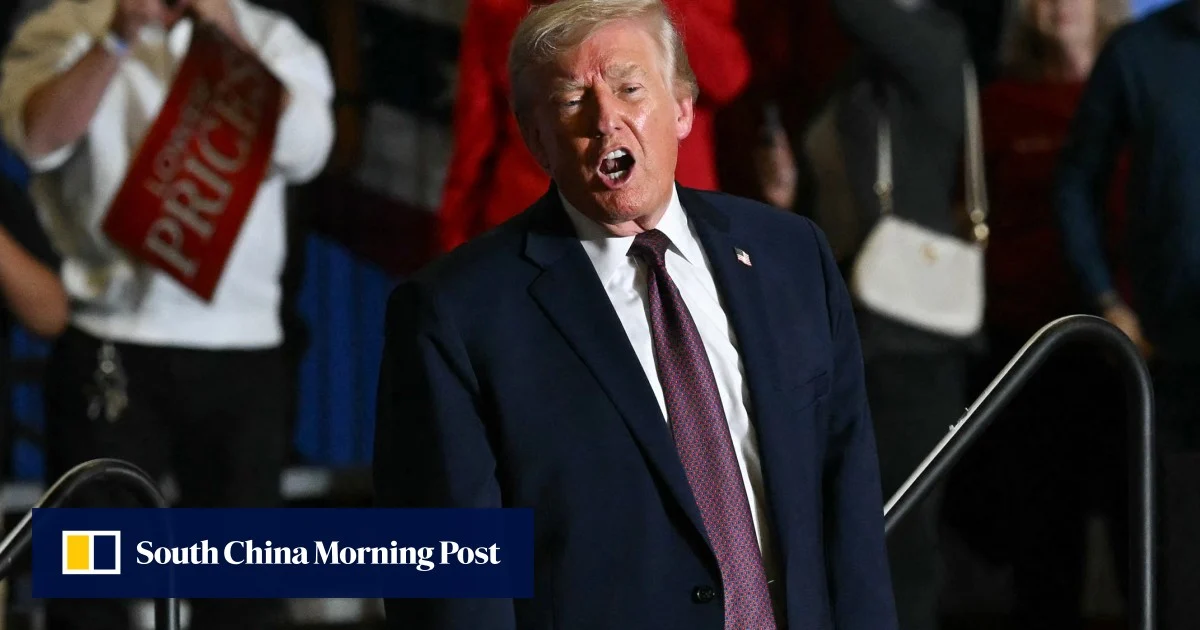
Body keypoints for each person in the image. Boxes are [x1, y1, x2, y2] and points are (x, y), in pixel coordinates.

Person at [373, 1, 898, 628]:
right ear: (536, 138)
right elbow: (452, 585)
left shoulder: (792, 256)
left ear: (682, 108)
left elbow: (849, 509)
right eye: (572, 101)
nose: (606, 119)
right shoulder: (455, 315)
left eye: (630, 89)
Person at [0, 0, 334, 628]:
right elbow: (35, 140)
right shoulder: (63, 27)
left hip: (242, 347)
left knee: (241, 588)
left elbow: (307, 150)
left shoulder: (271, 39)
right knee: (88, 583)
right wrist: (117, 40)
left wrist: (228, 37)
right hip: (108, 340)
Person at [941, 0, 1131, 627]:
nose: (1057, 6)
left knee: (1144, 526)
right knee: (1043, 537)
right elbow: (963, 210)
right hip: (1027, 340)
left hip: (1130, 341)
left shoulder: (1133, 86)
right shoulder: (999, 104)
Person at [1054, 0, 1200, 626]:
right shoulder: (1139, 53)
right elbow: (1075, 181)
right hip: (1172, 363)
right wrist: (1107, 301)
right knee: (1178, 577)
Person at [435, 0, 751, 254]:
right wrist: (455, 250)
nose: (606, 120)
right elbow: (474, 135)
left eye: (629, 89)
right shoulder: (499, 8)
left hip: (669, 219)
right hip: (539, 232)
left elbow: (726, 78)